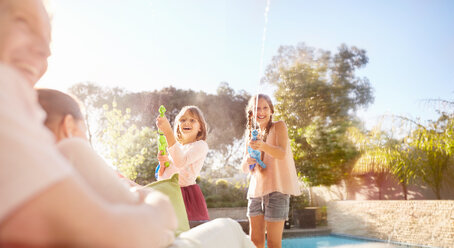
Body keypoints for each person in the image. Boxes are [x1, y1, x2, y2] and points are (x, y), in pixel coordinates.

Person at [0, 0, 254, 247]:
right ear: (69, 127)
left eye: (47, 39)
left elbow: (177, 167)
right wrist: (154, 196)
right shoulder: (62, 146)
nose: (47, 51)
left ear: (201, 128)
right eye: (23, 22)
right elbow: (127, 226)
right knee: (230, 228)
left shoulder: (199, 147)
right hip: (157, 216)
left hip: (180, 198)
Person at [241, 94, 302, 248]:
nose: (261, 112)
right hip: (255, 193)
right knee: (255, 241)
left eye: (265, 108)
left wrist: (262, 146)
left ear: (271, 110)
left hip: (277, 190)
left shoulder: (279, 126)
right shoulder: (250, 136)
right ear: (251, 113)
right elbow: (244, 168)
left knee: (274, 243)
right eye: (257, 108)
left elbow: (281, 153)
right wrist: (248, 160)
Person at [156, 106, 210, 221]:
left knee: (185, 231)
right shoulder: (177, 148)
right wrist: (162, 165)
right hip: (168, 193)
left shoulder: (200, 145)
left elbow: (181, 162)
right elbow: (163, 176)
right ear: (178, 125)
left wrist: (168, 133)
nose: (187, 123)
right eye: (183, 120)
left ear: (200, 127)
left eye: (192, 120)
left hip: (184, 197)